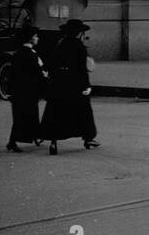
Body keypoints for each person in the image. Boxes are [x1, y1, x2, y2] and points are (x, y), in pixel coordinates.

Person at [40, 19, 99, 154]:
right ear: (79, 33)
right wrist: (87, 86)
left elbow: (50, 63)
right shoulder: (79, 47)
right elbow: (81, 69)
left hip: (59, 82)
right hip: (74, 83)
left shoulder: (60, 44)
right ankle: (88, 137)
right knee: (83, 110)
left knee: (56, 112)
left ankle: (53, 142)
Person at [5, 28, 47, 152]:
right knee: (27, 115)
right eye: (35, 36)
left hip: (18, 91)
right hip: (29, 91)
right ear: (30, 39)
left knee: (20, 116)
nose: (37, 38)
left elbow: (12, 74)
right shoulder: (32, 55)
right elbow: (37, 73)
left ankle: (33, 137)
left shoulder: (18, 54)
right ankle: (13, 142)